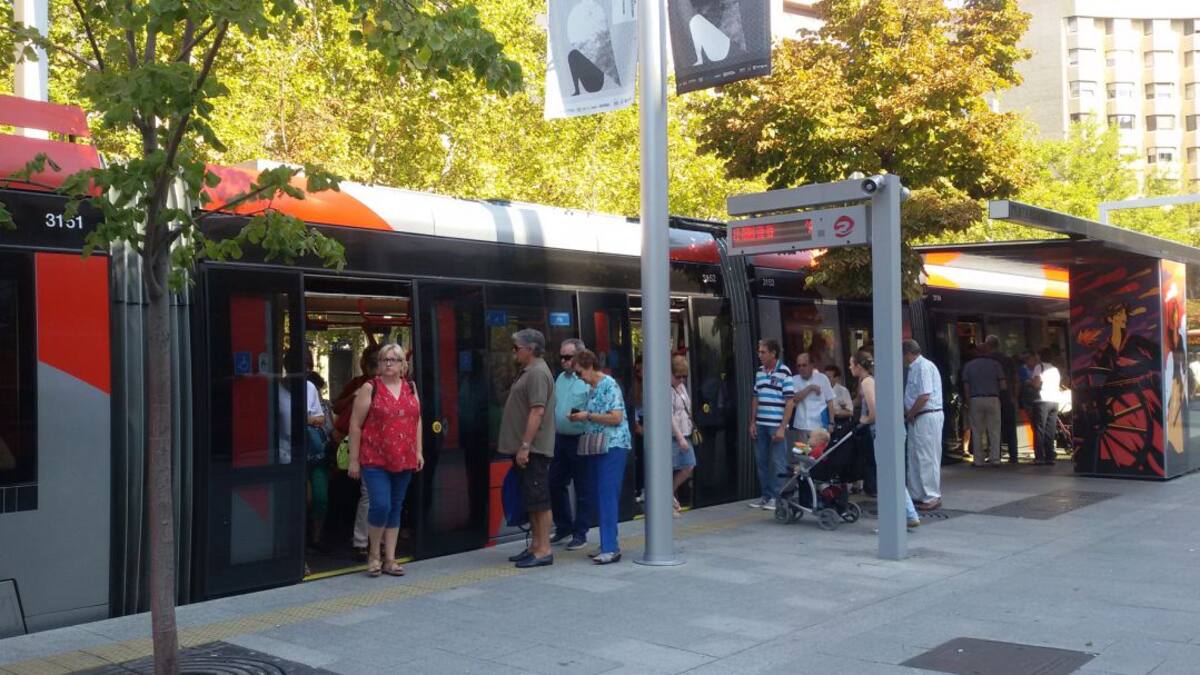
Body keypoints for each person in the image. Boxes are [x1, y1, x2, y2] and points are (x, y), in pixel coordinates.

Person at [346, 344, 424, 577]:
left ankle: (390, 558)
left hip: (405, 456)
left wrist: (419, 451)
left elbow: (417, 420)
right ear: (379, 365)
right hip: (375, 458)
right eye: (384, 360)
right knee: (381, 504)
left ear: (403, 365)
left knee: (396, 506)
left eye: (394, 360)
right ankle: (373, 554)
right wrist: (353, 460)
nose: (388, 363)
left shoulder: (411, 386)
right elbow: (355, 425)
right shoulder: (370, 388)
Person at [568, 349, 632, 564]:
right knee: (600, 494)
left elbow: (616, 417)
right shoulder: (593, 388)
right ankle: (607, 542)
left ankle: (611, 548)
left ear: (589, 366)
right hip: (599, 447)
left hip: (613, 446)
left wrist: (587, 415)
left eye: (579, 372)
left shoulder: (609, 384)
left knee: (606, 494)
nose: (578, 377)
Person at [500, 329, 558, 569]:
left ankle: (544, 549)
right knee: (531, 501)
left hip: (534, 449)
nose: (514, 353)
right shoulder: (529, 372)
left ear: (530, 349)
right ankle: (535, 545)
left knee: (539, 500)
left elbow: (537, 410)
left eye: (517, 348)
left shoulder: (536, 373)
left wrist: (525, 445)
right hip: (527, 449)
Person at [851, 351, 920, 528]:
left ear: (859, 366)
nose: (850, 367)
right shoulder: (871, 381)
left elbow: (875, 411)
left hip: (881, 432)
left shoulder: (867, 382)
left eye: (852, 364)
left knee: (887, 475)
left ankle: (897, 518)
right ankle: (909, 514)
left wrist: (863, 420)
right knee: (892, 474)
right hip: (890, 430)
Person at [333, 345, 381, 559]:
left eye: (376, 361)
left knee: (376, 496)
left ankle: (373, 541)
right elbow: (340, 410)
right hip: (354, 445)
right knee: (366, 496)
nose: (373, 366)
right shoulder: (358, 385)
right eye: (370, 362)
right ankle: (362, 540)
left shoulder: (391, 387)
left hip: (379, 448)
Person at [549, 338, 593, 551]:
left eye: (568, 357)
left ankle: (581, 532)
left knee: (583, 487)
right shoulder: (560, 378)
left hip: (580, 438)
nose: (564, 361)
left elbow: (594, 410)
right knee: (554, 483)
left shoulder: (587, 380)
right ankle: (564, 526)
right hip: (560, 439)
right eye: (561, 357)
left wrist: (578, 416)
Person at [748, 339, 796, 510]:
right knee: (761, 461)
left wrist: (783, 427)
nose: (759, 355)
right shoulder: (759, 372)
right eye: (759, 351)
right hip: (760, 424)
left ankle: (778, 498)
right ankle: (766, 496)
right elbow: (756, 397)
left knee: (778, 461)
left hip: (776, 425)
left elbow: (789, 401)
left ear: (773, 353)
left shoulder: (784, 372)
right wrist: (752, 422)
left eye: (763, 352)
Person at [903, 339, 943, 511]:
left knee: (927, 456)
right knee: (915, 456)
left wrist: (910, 412)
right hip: (918, 417)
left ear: (908, 353)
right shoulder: (914, 368)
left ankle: (932, 495)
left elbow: (924, 395)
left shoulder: (923, 367)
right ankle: (917, 493)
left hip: (926, 416)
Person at [961, 337, 1007, 467]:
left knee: (977, 430)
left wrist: (968, 401)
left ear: (977, 352)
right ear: (987, 352)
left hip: (975, 399)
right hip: (993, 398)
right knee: (994, 430)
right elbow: (1003, 384)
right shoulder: (995, 364)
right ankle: (995, 459)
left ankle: (978, 460)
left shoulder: (968, 366)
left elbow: (966, 387)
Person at [305, 371, 334, 554]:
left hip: (316, 455)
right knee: (305, 499)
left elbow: (321, 419)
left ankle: (316, 538)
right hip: (288, 455)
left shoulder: (309, 388)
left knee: (320, 497)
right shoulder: (275, 389)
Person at [669, 355, 698, 517]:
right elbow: (669, 416)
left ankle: (668, 494)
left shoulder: (681, 387)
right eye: (677, 376)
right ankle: (667, 500)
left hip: (685, 432)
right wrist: (679, 437)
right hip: (674, 435)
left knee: (689, 465)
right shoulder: (666, 389)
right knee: (670, 468)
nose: (681, 379)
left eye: (683, 376)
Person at [789, 353, 835, 456]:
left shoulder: (822, 378)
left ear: (811, 365)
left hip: (819, 427)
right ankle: (804, 472)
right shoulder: (794, 380)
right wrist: (810, 388)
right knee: (803, 456)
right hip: (801, 427)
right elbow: (794, 399)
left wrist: (831, 422)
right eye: (799, 366)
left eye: (804, 365)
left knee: (818, 456)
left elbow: (830, 401)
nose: (801, 368)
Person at [1030, 347, 1061, 465]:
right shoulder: (1055, 369)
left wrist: (1030, 382)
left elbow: (1037, 384)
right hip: (1054, 400)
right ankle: (1050, 456)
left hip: (1042, 400)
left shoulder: (1039, 367)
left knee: (1039, 428)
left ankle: (1039, 456)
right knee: (1050, 429)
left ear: (1040, 356)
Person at [824, 365, 854, 440]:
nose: (826, 380)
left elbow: (850, 412)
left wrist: (834, 412)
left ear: (836, 378)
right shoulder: (820, 391)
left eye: (829, 377)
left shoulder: (842, 391)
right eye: (825, 377)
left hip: (839, 423)